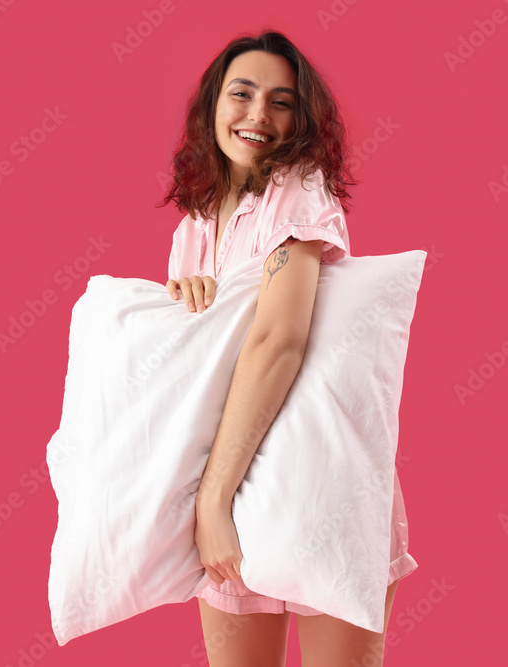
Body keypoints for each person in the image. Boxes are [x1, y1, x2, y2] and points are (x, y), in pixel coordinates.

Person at [157, 30, 417, 666]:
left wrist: (211, 503)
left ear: (302, 121)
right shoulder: (194, 224)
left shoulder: (298, 189)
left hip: (319, 480)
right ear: (212, 103)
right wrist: (178, 302)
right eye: (242, 94)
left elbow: (279, 340)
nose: (257, 116)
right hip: (232, 478)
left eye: (281, 102)